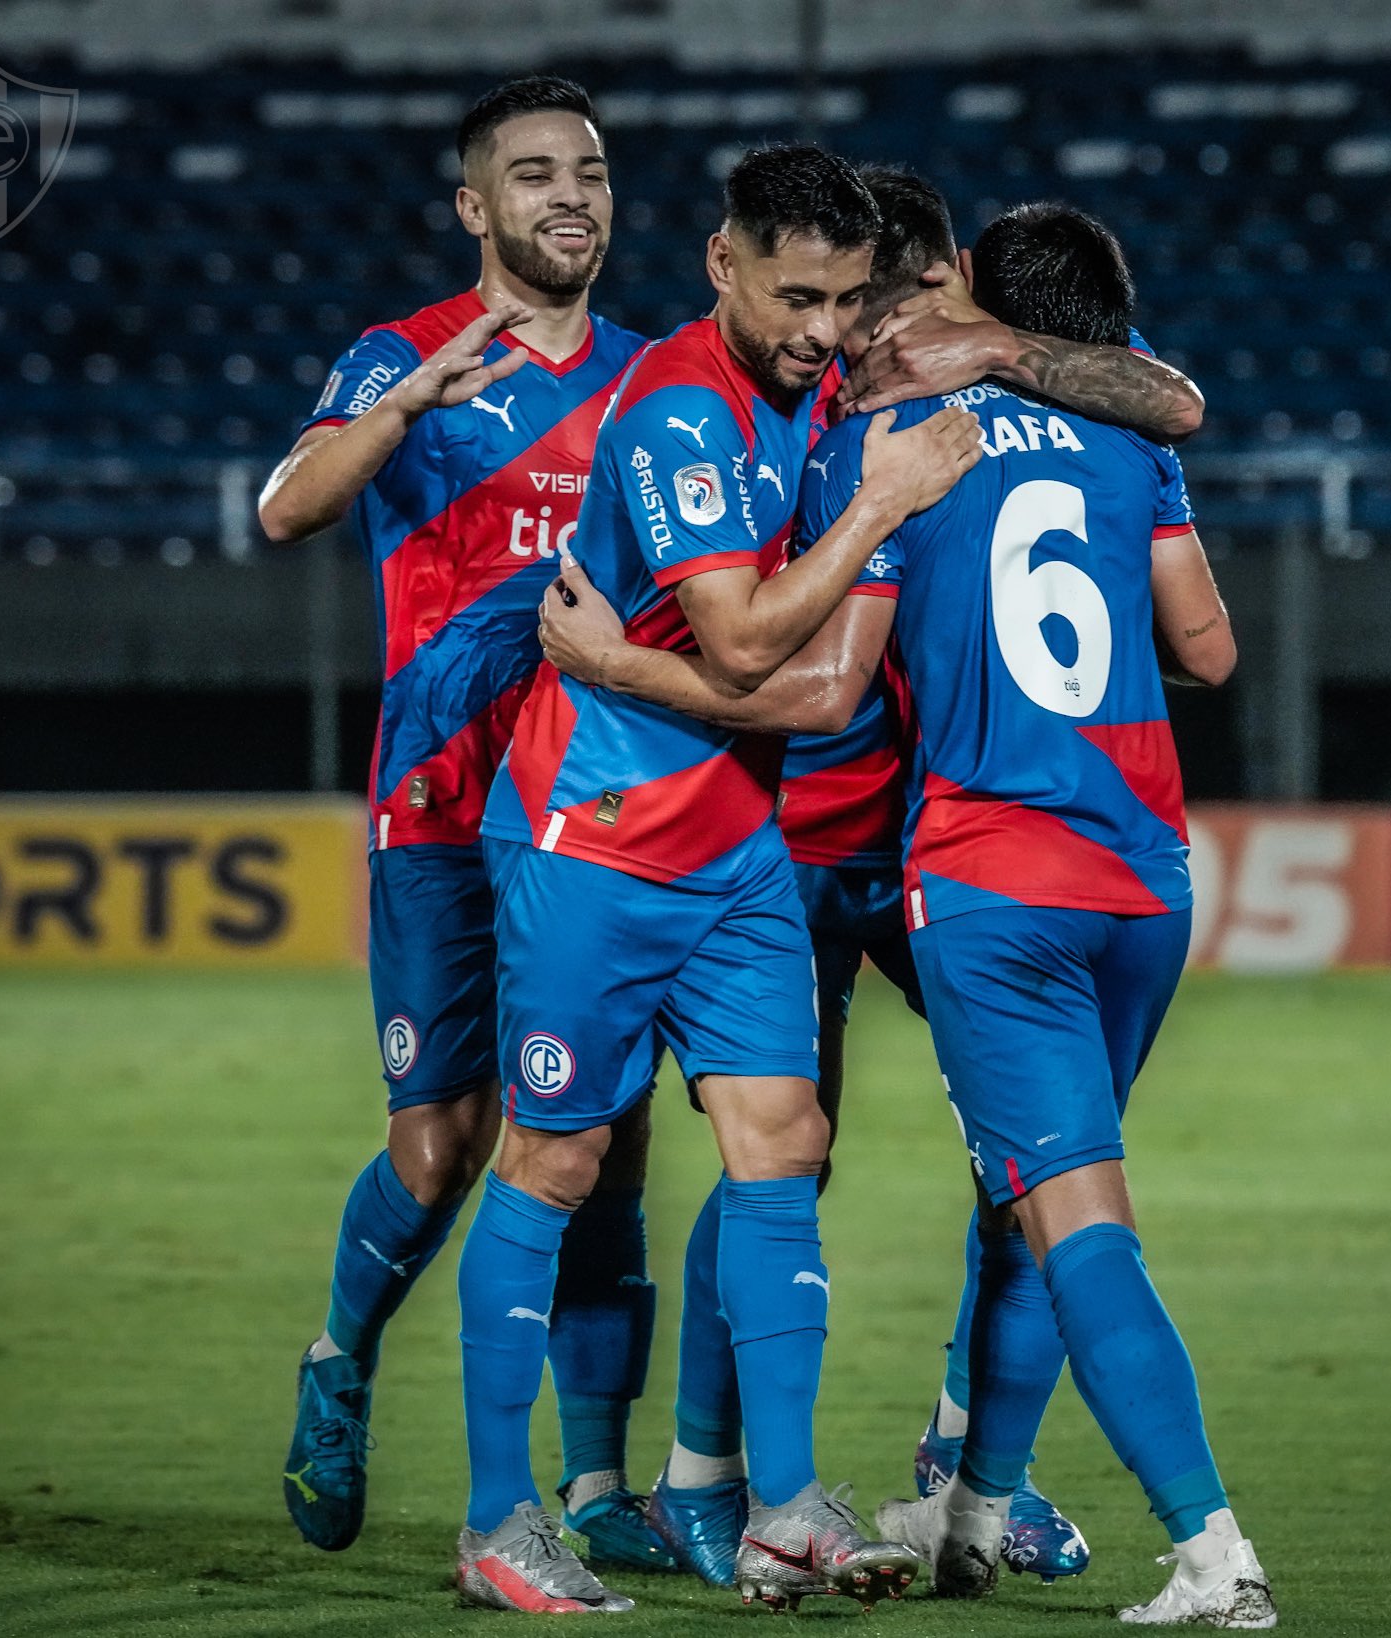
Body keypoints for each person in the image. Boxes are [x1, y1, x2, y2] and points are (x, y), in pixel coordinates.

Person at [540, 202, 1267, 1625]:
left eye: (930, 288)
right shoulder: (1100, 432)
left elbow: (817, 682)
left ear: (972, 299)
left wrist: (617, 661)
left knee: (1018, 1193)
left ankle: (1120, 1521)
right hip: (1063, 862)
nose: (887, 317)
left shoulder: (898, 440)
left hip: (966, 861)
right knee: (813, 1157)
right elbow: (1210, 645)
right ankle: (792, 1479)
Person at [461, 143, 978, 1614]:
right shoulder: (683, 406)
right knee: (556, 1159)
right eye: (797, 294)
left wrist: (627, 656)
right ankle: (501, 1519)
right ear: (722, 262)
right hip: (598, 835)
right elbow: (751, 646)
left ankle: (785, 1504)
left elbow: (818, 685)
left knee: (783, 1133)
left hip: (737, 844)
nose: (823, 328)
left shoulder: (815, 396)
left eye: (844, 300)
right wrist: (880, 507)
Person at [256, 76, 670, 1571]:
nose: (573, 194)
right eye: (537, 172)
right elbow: (286, 509)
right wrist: (409, 403)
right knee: (439, 1145)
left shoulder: (659, 377)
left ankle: (605, 1481)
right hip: (437, 810)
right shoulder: (396, 355)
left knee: (604, 1142)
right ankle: (340, 1357)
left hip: (596, 812)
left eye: (594, 171)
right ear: (476, 209)